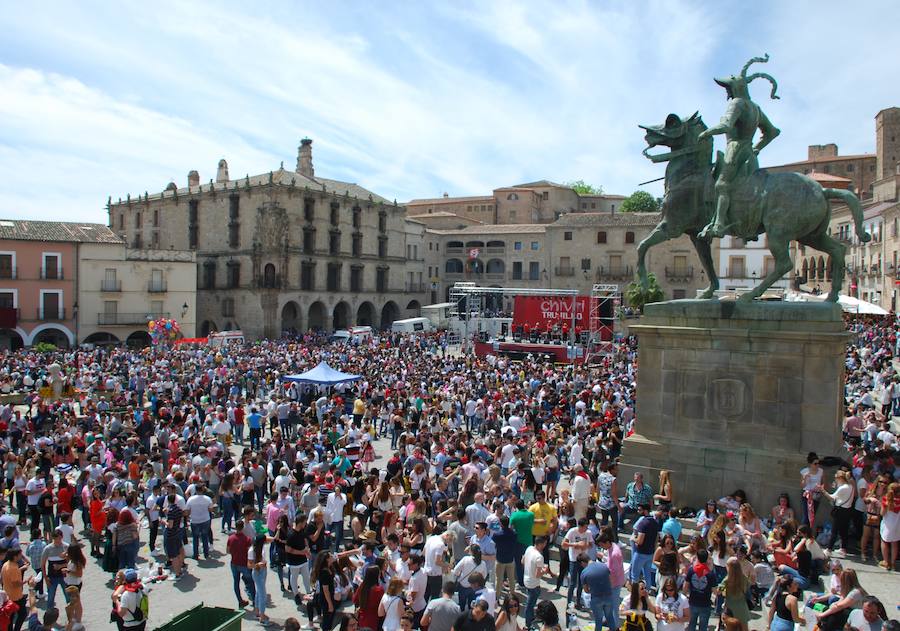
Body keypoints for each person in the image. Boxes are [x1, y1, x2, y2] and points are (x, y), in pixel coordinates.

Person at [580, 553, 616, 631]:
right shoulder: (604, 566)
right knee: (610, 618)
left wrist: (592, 590)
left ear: (582, 563)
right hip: (608, 596)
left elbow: (586, 590)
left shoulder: (584, 572)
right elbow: (611, 580)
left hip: (596, 598)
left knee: (598, 621)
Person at [226, 519, 256, 608]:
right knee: (250, 582)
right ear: (243, 527)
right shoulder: (247, 539)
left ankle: (240, 601)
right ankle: (254, 600)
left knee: (236, 582)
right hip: (244, 564)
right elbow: (250, 552)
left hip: (234, 563)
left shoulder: (231, 538)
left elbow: (228, 551)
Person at [684, 548, 714, 631]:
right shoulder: (710, 574)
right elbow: (715, 590)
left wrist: (684, 597)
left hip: (693, 602)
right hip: (705, 603)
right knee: (703, 627)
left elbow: (685, 586)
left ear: (697, 557)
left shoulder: (691, 570)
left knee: (691, 625)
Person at [630, 503, 658, 586]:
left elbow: (640, 541)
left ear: (645, 511)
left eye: (640, 510)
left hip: (640, 553)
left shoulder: (643, 523)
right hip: (650, 553)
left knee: (634, 576)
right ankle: (647, 592)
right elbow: (656, 539)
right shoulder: (655, 522)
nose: (638, 511)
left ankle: (634, 594)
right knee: (647, 575)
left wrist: (633, 539)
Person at [522, 536, 547, 630]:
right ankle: (528, 623)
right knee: (530, 604)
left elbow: (522, 561)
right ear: (541, 544)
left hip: (526, 579)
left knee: (530, 602)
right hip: (533, 583)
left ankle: (531, 618)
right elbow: (538, 575)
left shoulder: (529, 548)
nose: (545, 545)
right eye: (545, 543)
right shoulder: (539, 557)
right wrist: (545, 570)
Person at [718, 558, 750, 631]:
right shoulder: (744, 578)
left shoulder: (726, 580)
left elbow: (719, 592)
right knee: (744, 628)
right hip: (742, 607)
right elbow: (747, 587)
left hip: (730, 607)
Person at [353, 565, 384, 631]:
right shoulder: (379, 590)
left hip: (362, 619)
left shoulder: (362, 586)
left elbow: (355, 599)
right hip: (374, 621)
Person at [249, 534, 270, 626]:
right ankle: (262, 616)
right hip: (257, 572)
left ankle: (257, 611)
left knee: (259, 592)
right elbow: (249, 565)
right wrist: (257, 565)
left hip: (263, 570)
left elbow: (271, 539)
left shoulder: (261, 547)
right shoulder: (251, 550)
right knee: (263, 595)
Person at [879, 481, 899, 570]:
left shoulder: (885, 500)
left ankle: (886, 561)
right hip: (897, 525)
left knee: (884, 542)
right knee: (895, 543)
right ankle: (893, 563)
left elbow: (882, 513)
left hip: (887, 524)